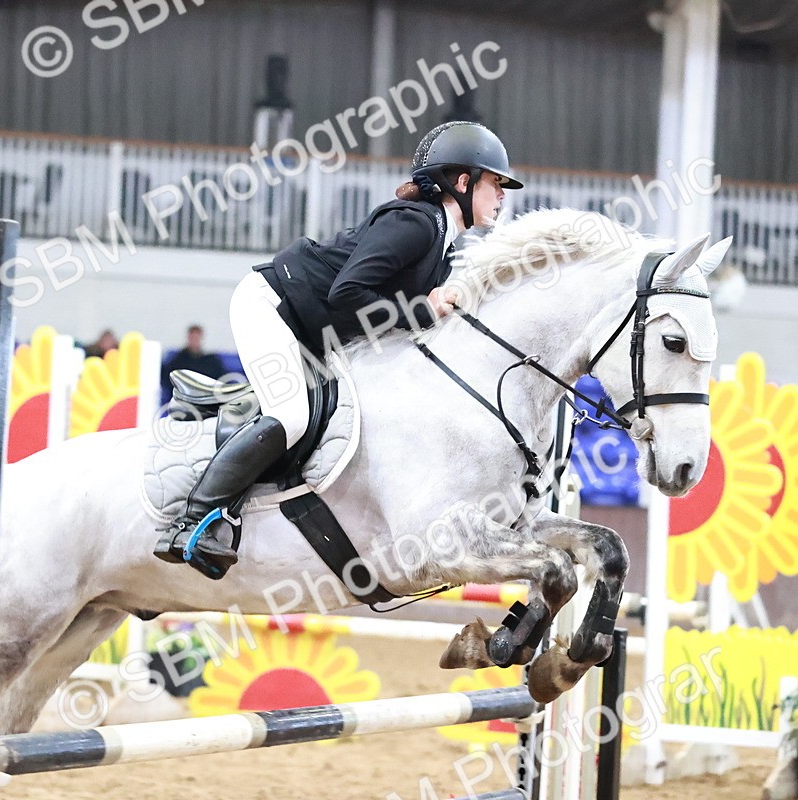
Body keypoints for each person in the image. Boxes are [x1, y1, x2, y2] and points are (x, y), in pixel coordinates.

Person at [154, 121, 523, 577]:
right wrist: (422, 310)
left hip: (313, 332)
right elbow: (347, 292)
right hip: (272, 306)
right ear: (463, 182)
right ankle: (191, 521)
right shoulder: (415, 224)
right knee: (292, 416)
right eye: (495, 183)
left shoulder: (443, 249)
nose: (502, 195)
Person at [160, 325, 227, 399]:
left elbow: (220, 379)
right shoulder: (178, 360)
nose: (195, 341)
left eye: (197, 338)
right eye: (192, 338)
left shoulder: (211, 362)